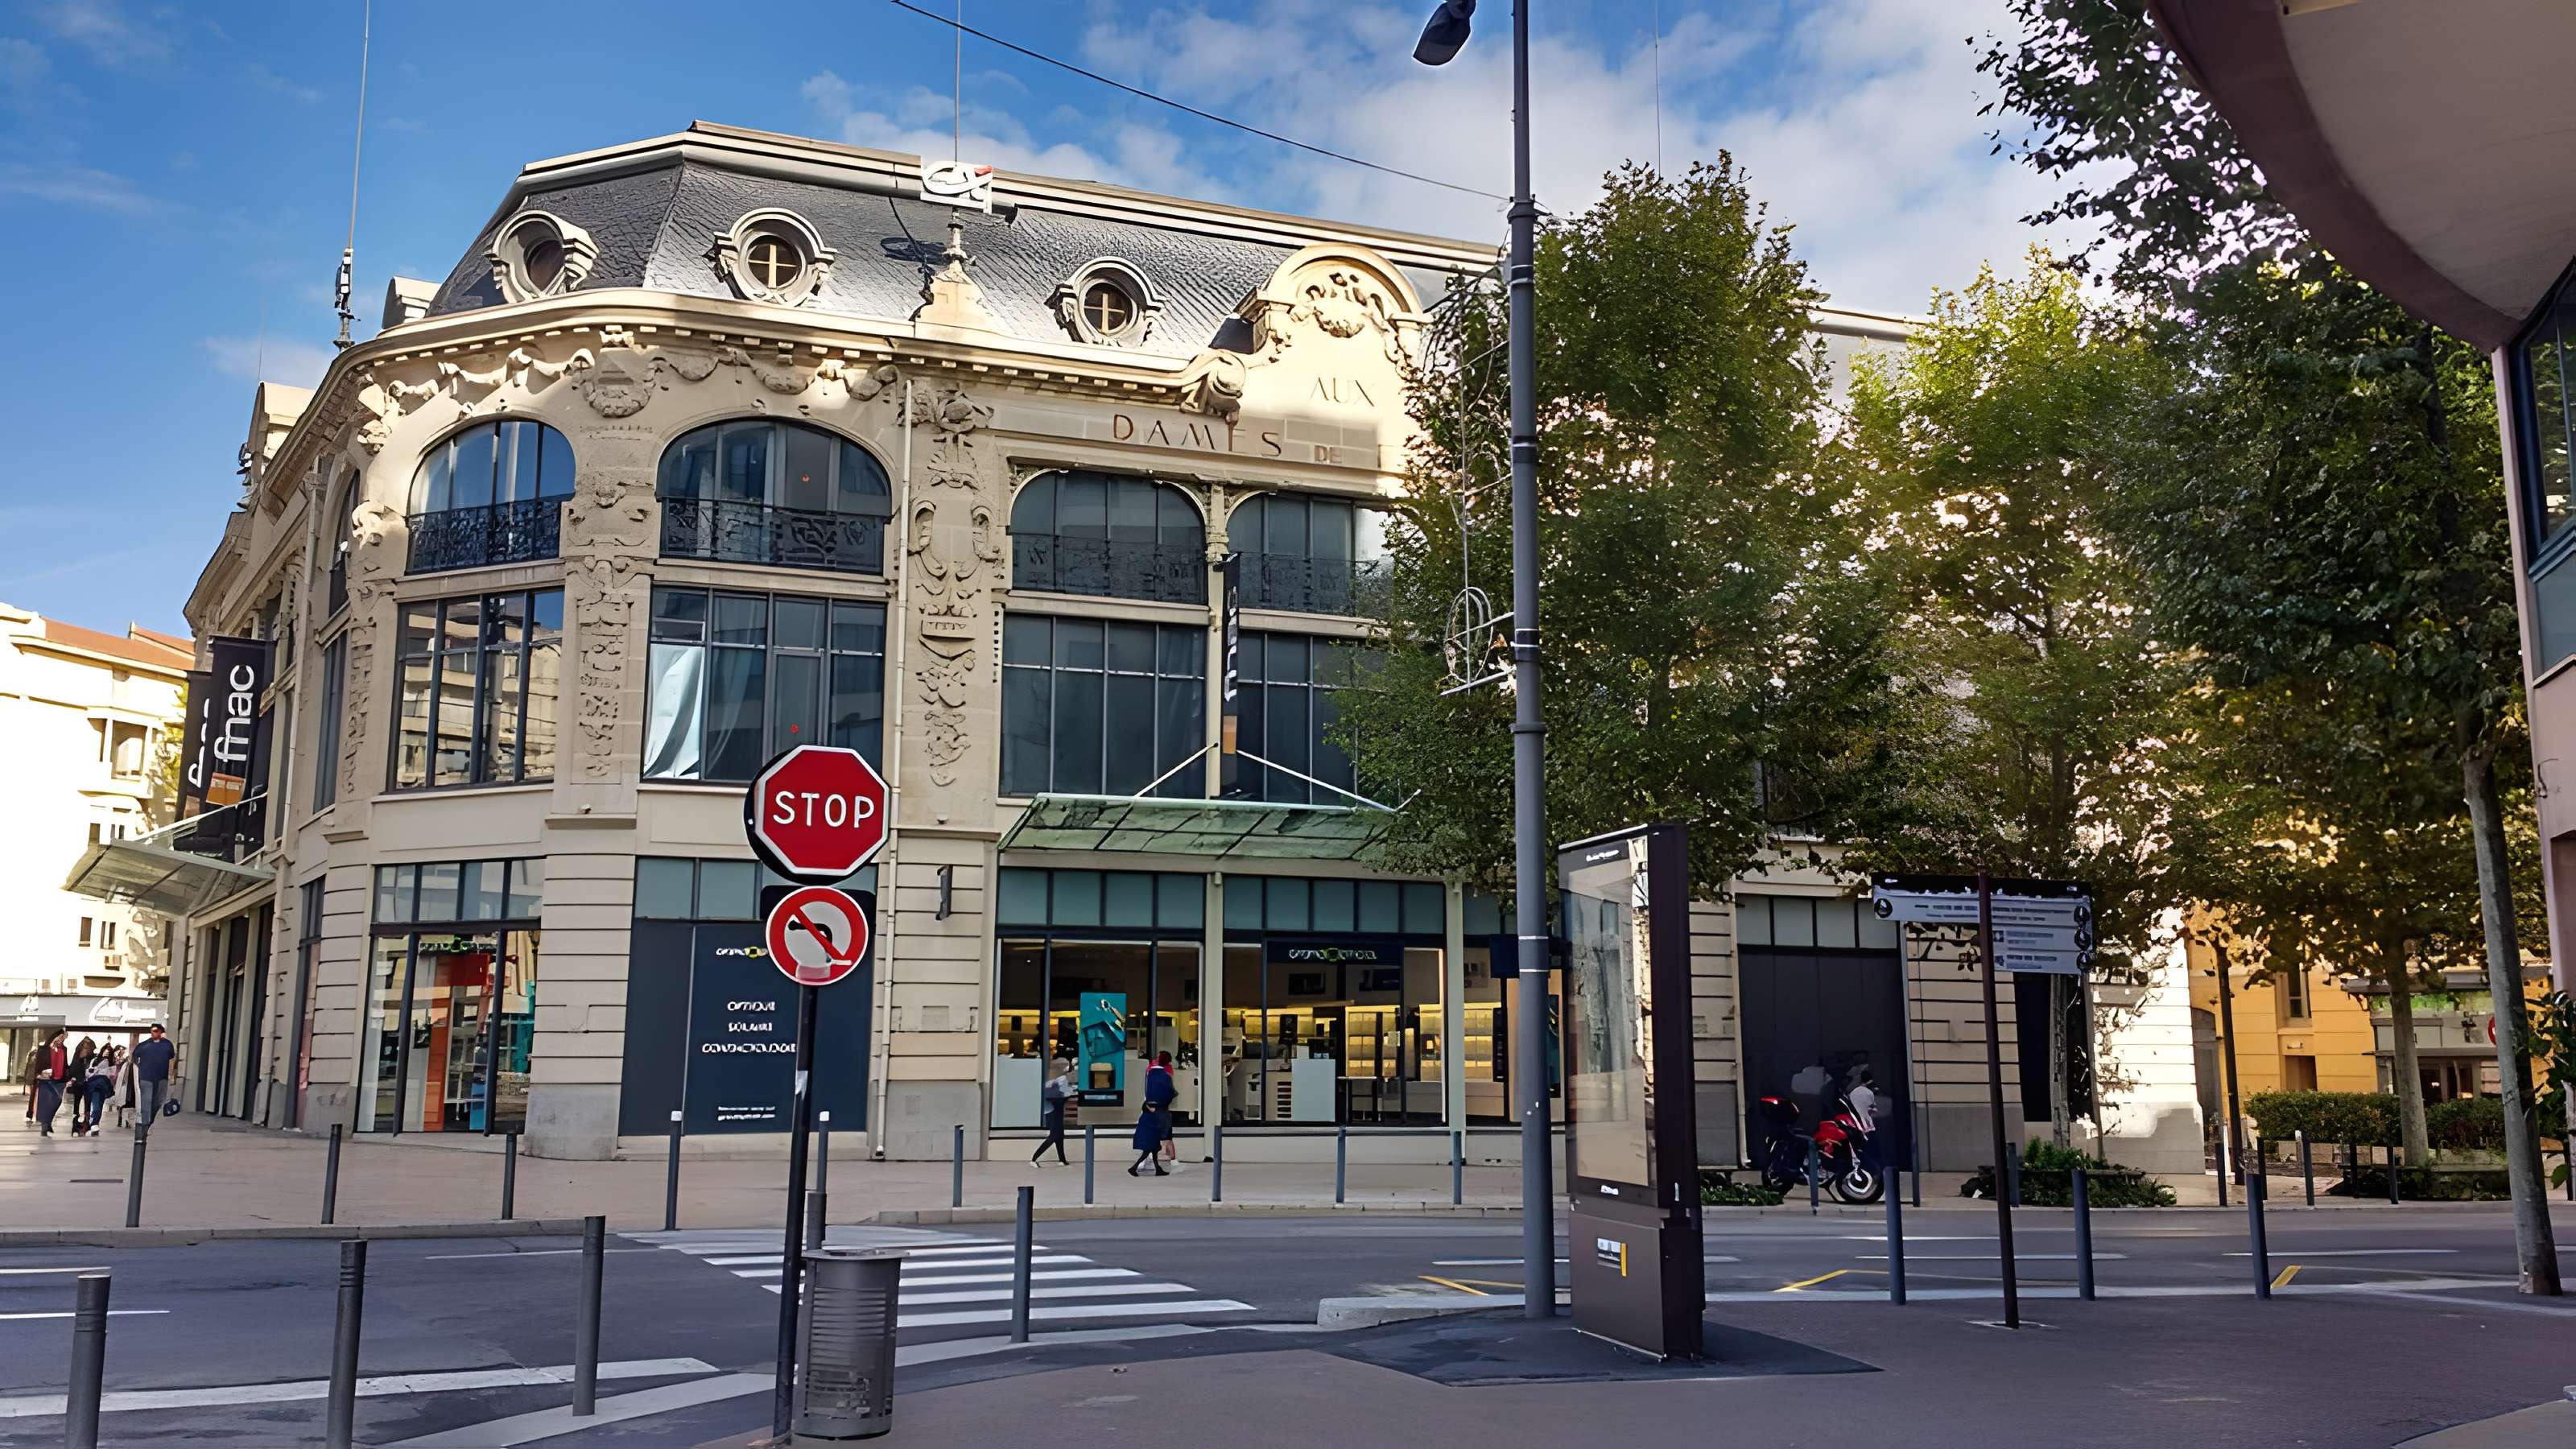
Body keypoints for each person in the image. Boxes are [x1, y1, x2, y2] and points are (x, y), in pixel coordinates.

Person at [1129, 1051, 1179, 1177]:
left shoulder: (1150, 1074)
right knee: (1153, 1143)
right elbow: (1169, 1093)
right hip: (1160, 1110)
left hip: (1149, 1109)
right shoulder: (1165, 1076)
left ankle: (1157, 1169)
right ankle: (1135, 1168)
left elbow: (1147, 1090)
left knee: (1153, 1143)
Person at [130, 1025, 177, 1134]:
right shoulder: (144, 1045)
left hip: (162, 1078)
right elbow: (134, 1057)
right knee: (146, 1102)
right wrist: (141, 1068)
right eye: (152, 1031)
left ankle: (149, 1122)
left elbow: (171, 1056)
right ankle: (145, 1126)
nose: (153, 1033)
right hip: (146, 1078)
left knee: (158, 1102)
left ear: (161, 1032)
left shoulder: (167, 1045)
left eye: (156, 1031)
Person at [1031, 1056, 1073, 1166]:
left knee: (1059, 1136)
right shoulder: (1053, 1081)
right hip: (1052, 1111)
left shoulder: (1056, 1080)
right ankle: (1034, 1159)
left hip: (1055, 1110)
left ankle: (1062, 1159)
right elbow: (1055, 1096)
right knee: (1054, 1136)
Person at [31, 1029, 69, 1138]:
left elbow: (65, 1064)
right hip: (46, 1080)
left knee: (57, 1101)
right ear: (54, 1037)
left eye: (63, 1038)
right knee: (45, 1104)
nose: (61, 1040)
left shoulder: (64, 1050)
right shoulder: (44, 1049)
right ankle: (45, 1126)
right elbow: (38, 1065)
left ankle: (48, 1122)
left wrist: (68, 1076)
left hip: (60, 1080)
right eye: (60, 1037)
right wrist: (40, 1073)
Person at [64, 1038, 95, 1137]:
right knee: (77, 1109)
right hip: (79, 1087)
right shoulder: (78, 1061)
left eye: (87, 1048)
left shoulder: (91, 1060)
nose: (85, 1051)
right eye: (84, 1048)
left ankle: (85, 1127)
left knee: (86, 1108)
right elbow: (71, 1072)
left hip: (86, 1087)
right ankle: (76, 1128)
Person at [84, 1046, 118, 1133]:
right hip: (92, 1085)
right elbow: (87, 1071)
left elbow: (112, 1075)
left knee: (97, 1106)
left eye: (108, 1053)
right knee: (95, 1106)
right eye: (105, 1052)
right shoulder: (94, 1060)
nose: (106, 1054)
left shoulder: (110, 1062)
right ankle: (92, 1124)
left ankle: (94, 1124)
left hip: (100, 1086)